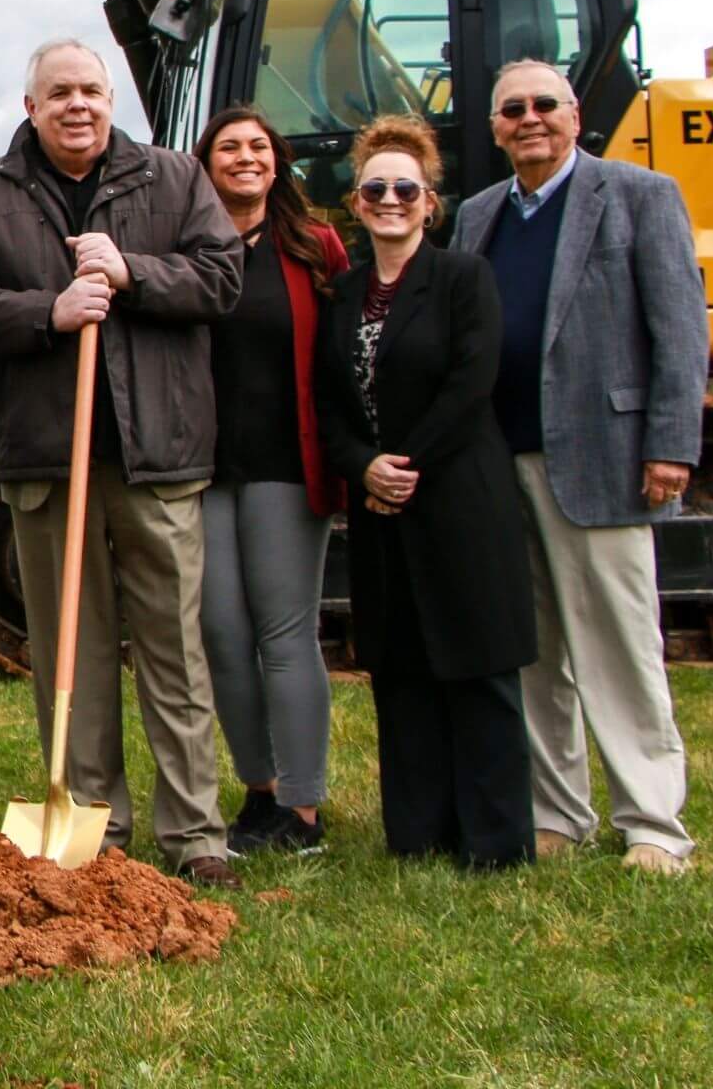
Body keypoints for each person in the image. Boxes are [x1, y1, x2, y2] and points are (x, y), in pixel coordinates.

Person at [0, 39, 243, 884]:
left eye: (91, 91)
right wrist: (52, 312)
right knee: (71, 652)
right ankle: (92, 827)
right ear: (31, 107)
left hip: (157, 458)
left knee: (174, 653)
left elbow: (222, 277)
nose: (78, 105)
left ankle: (195, 835)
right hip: (48, 461)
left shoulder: (174, 178)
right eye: (60, 93)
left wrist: (131, 272)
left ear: (112, 101)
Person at [454, 60, 699, 874]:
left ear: (575, 113)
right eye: (512, 109)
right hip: (499, 463)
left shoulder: (638, 195)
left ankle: (653, 823)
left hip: (602, 458)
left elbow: (679, 327)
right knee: (532, 651)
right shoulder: (479, 215)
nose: (529, 119)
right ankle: (557, 813)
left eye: (544, 105)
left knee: (619, 647)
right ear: (495, 127)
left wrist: (671, 444)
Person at [314, 115, 537, 868]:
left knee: (476, 665)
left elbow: (472, 383)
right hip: (380, 509)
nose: (390, 200)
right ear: (356, 201)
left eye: (405, 189)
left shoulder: (463, 279)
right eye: (375, 188)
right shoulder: (343, 294)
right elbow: (330, 402)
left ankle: (495, 839)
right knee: (401, 669)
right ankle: (417, 832)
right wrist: (363, 467)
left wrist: (402, 467)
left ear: (429, 204)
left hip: (457, 496)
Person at [192, 106, 350, 856]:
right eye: (229, 148)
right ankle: (259, 791)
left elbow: (343, 357)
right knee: (222, 633)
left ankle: (303, 806)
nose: (245, 158)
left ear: (278, 161)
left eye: (258, 146)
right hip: (206, 469)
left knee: (284, 633)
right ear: (206, 166)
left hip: (287, 465)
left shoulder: (315, 247)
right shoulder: (189, 248)